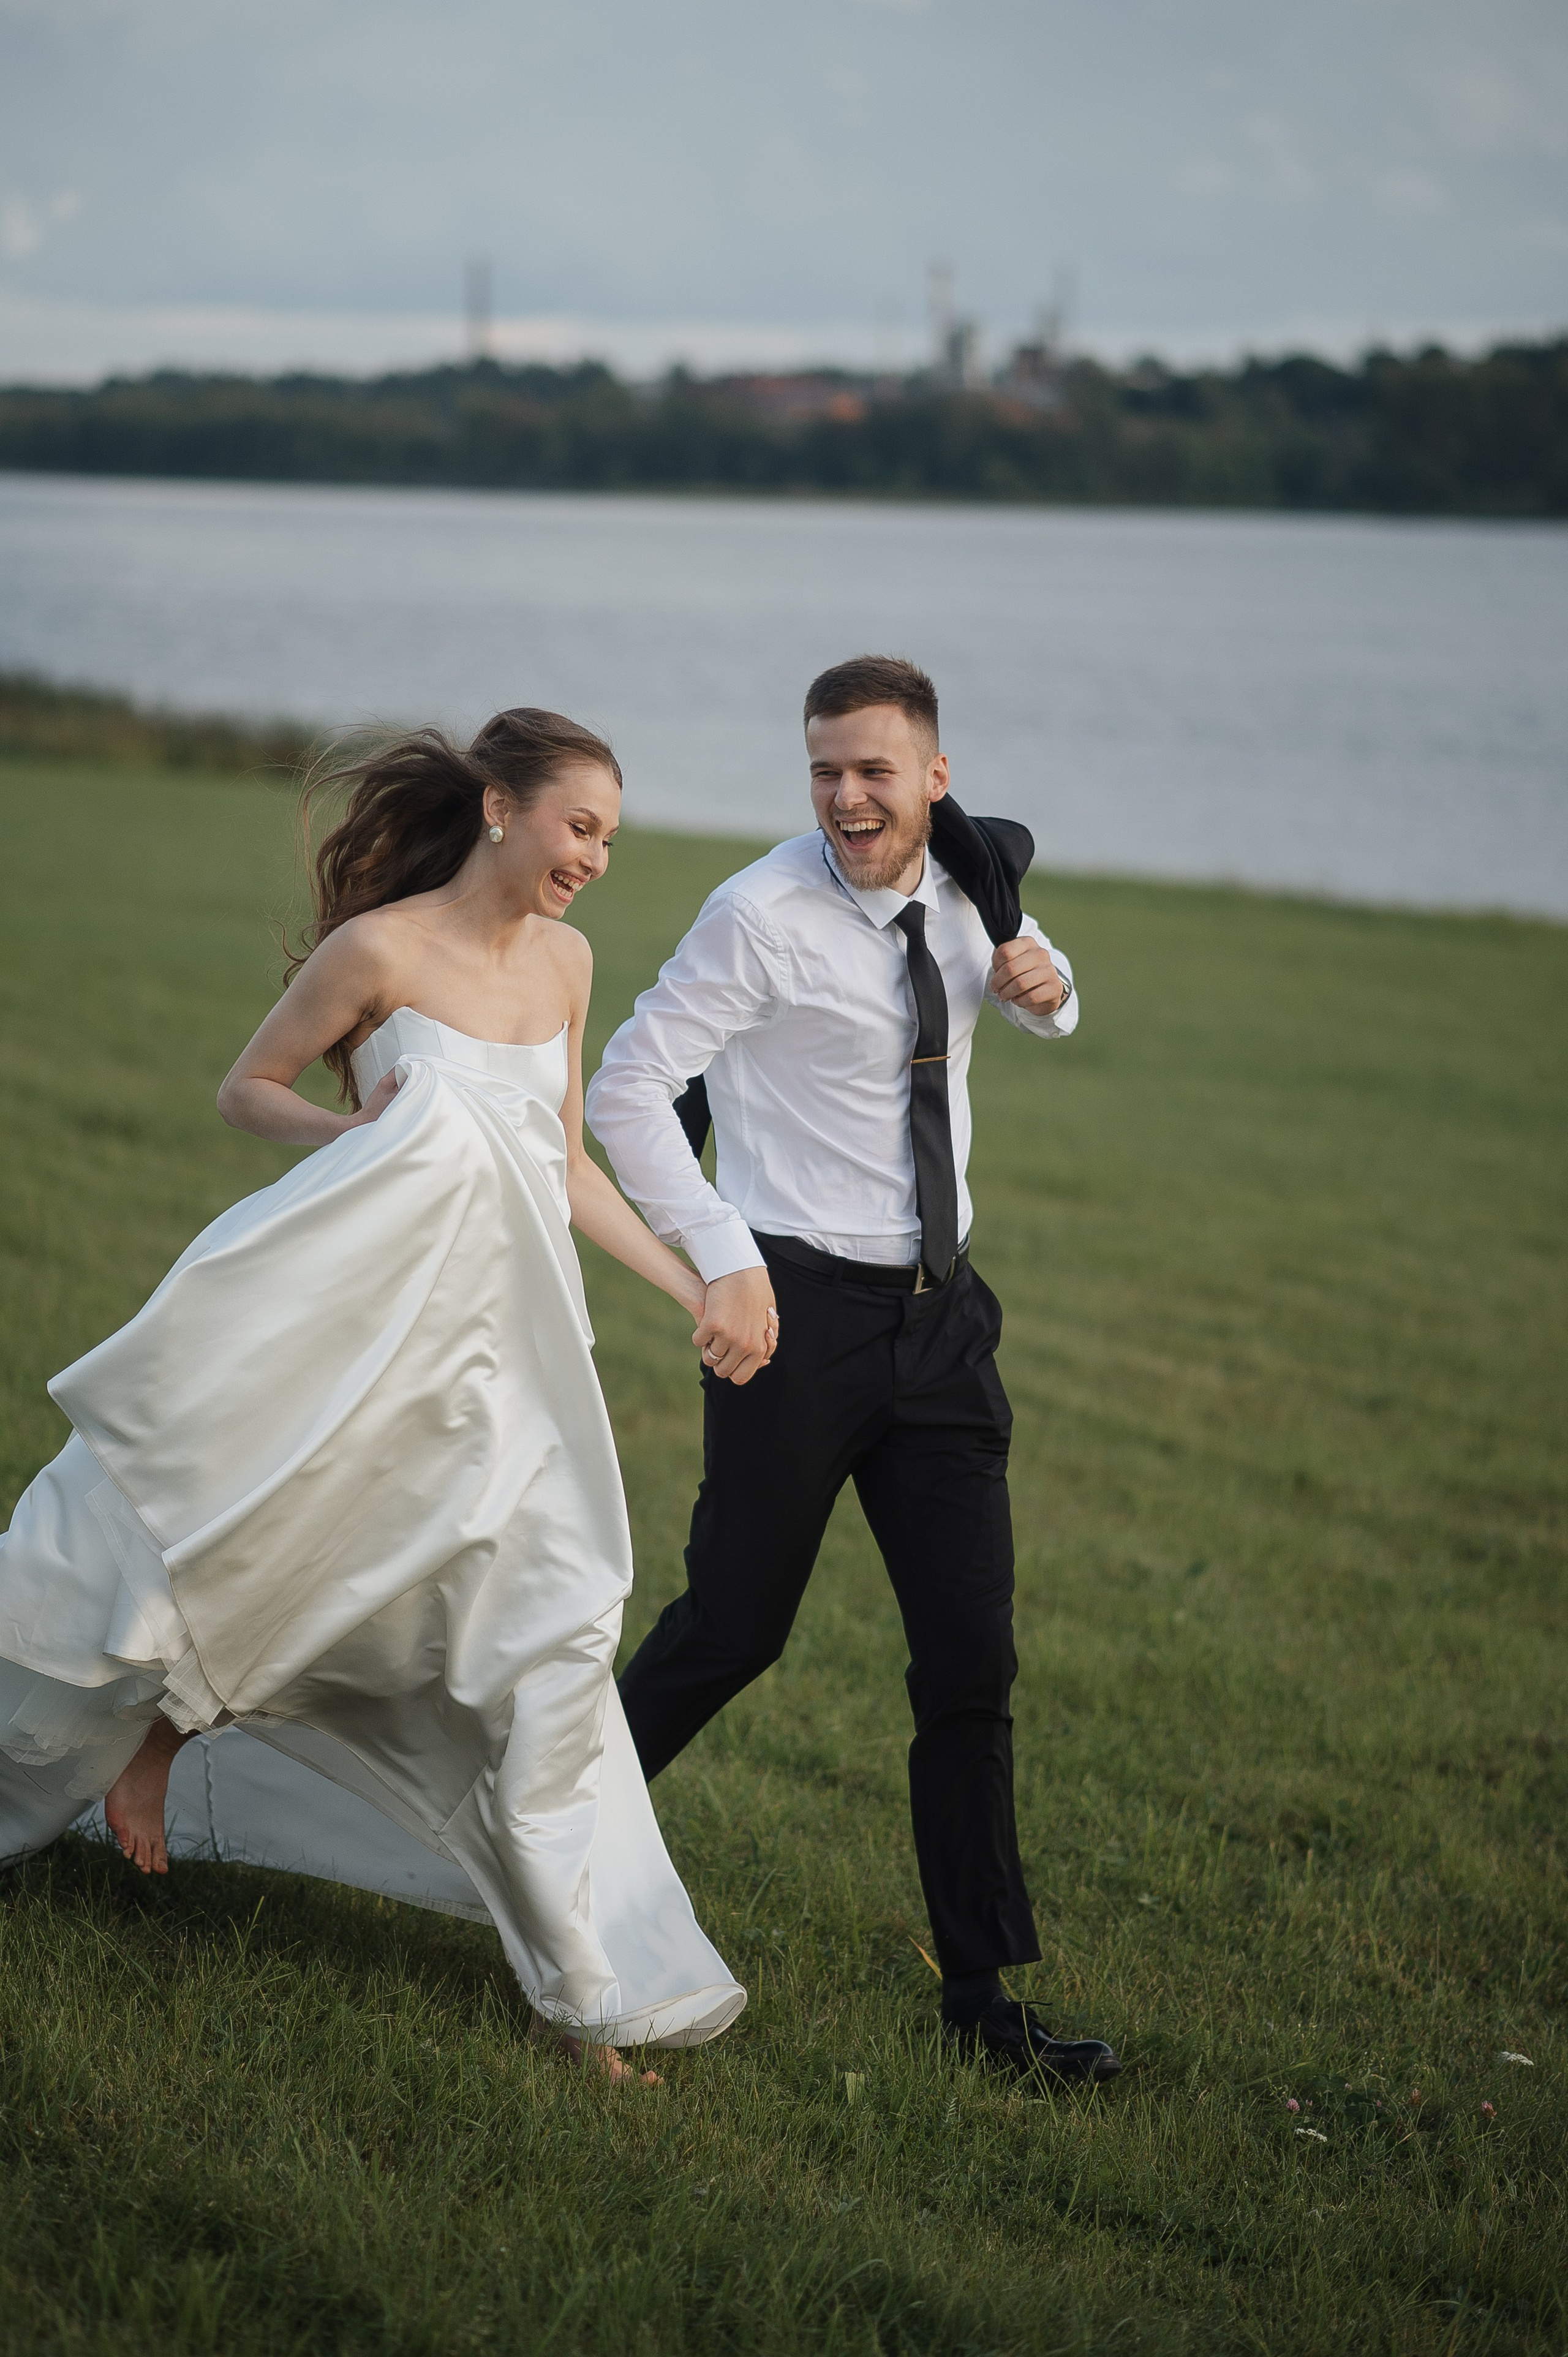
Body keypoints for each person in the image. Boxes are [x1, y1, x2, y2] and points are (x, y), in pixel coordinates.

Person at [0, 707, 750, 2081]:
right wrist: (354, 1132)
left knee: (540, 1645)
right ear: (497, 806)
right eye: (579, 825)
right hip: (362, 1340)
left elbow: (564, 1161)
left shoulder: (571, 963)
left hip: (507, 1370)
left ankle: (589, 2005)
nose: (594, 857)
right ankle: (152, 1738)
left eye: (609, 838)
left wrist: (693, 1282)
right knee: (260, 1559)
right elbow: (248, 1091)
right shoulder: (379, 952)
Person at [586, 655, 1121, 2085]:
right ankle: (546, 1857)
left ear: (931, 776)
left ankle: (981, 2000)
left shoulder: (970, 874)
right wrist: (723, 1257)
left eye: (874, 769)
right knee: (731, 1630)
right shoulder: (758, 915)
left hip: (944, 1324)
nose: (845, 796)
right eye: (824, 767)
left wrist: (1048, 986)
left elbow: (1042, 997)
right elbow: (625, 1089)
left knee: (968, 1665)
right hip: (798, 1317)